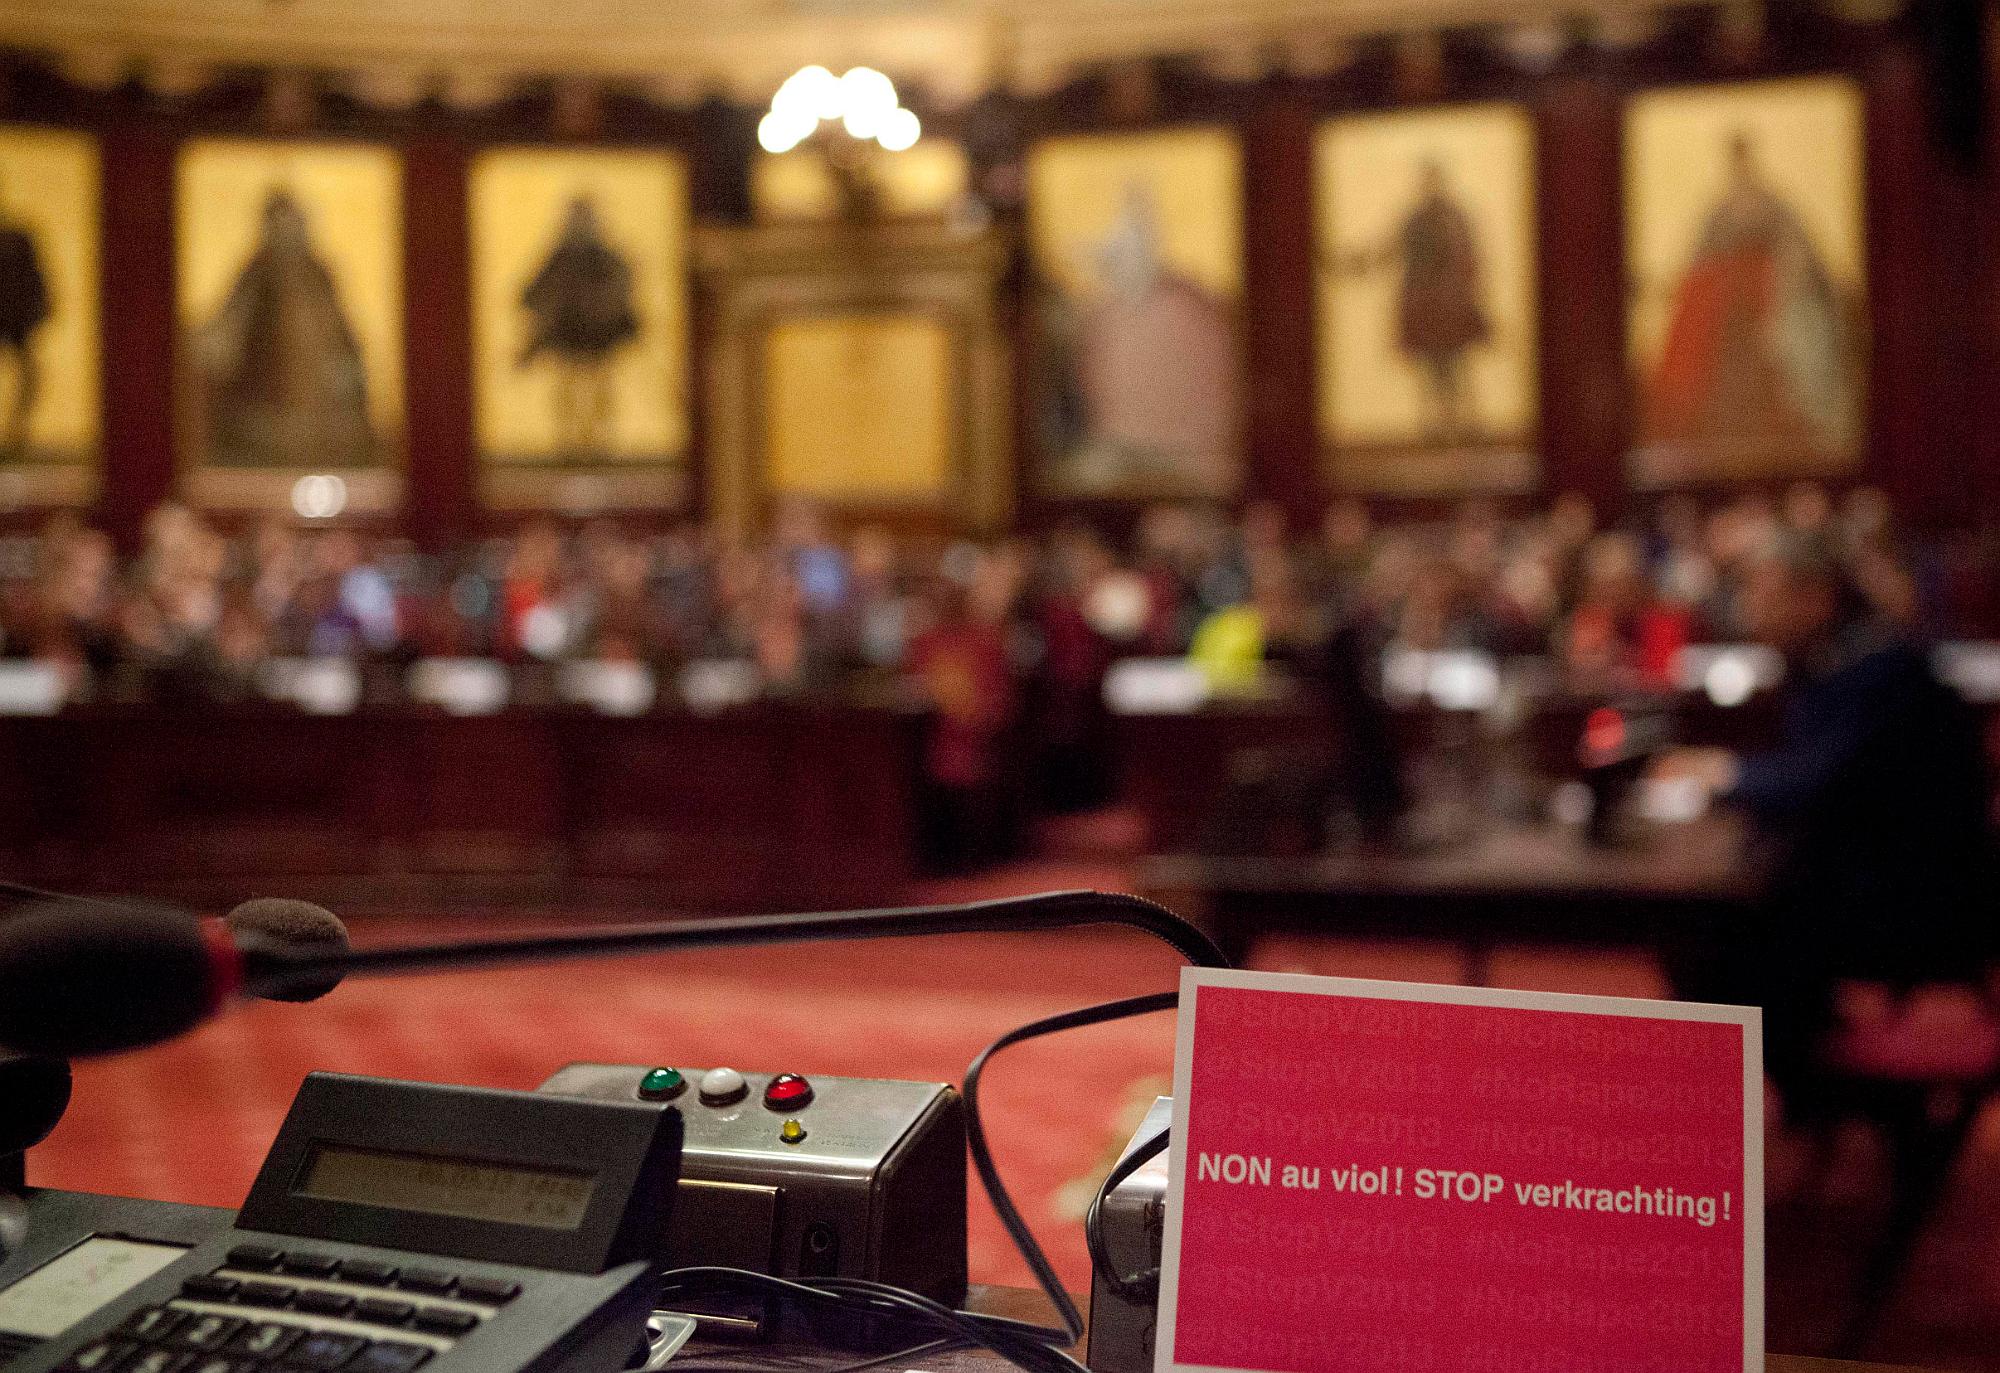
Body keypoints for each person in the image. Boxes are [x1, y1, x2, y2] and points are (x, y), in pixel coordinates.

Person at [1648, 536, 1996, 1108]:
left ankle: (1838, 1094)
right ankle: (1817, 1080)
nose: (1747, 607)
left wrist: (1727, 776)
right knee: (1712, 930)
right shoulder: (1851, 655)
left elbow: (1814, 784)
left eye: (1763, 591)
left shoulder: (1874, 668)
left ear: (1815, 597)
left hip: (1916, 905)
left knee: (1706, 936)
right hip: (1888, 880)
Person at [197, 189, 373, 469]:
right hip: (257, 422)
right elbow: (224, 338)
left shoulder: (319, 277)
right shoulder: (255, 275)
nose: (285, 235)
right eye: (278, 225)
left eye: (291, 225)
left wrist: (346, 387)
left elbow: (345, 345)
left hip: (321, 424)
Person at [517, 197, 640, 457]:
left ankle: (599, 441)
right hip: (568, 335)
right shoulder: (560, 257)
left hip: (599, 336)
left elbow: (622, 288)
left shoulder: (605, 257)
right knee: (569, 390)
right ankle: (570, 442)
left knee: (598, 389)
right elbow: (533, 293)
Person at [0, 180, 51, 463]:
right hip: (16, 320)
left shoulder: (18, 237)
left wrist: (37, 311)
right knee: (29, 376)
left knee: (29, 377)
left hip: (16, 322)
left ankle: (16, 436)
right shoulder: (17, 237)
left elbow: (36, 278)